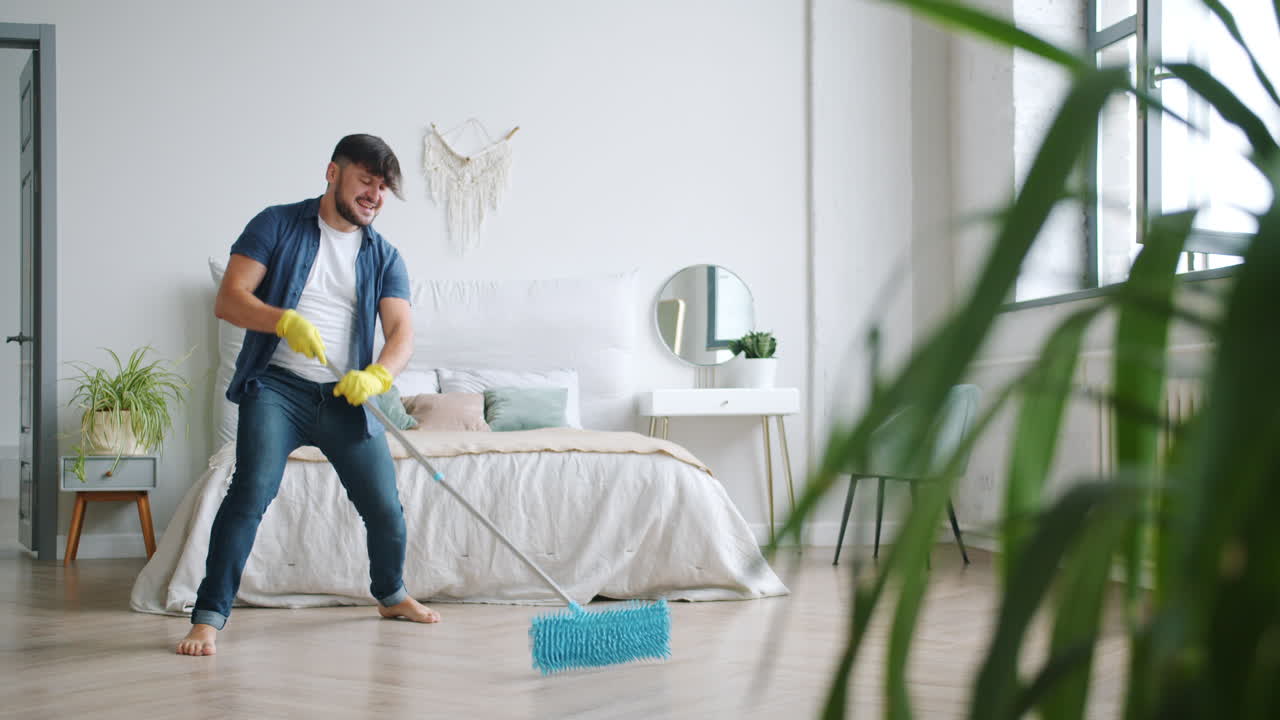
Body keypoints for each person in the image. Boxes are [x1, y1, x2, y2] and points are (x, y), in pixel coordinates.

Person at [177, 134, 439, 657]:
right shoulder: (275, 224)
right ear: (332, 172)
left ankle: (389, 594)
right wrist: (283, 321)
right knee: (251, 492)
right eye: (365, 179)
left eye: (382, 186)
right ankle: (208, 617)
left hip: (345, 396)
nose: (374, 194)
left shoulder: (384, 256)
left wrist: (378, 378)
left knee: (385, 507)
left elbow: (402, 336)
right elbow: (230, 300)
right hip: (276, 388)